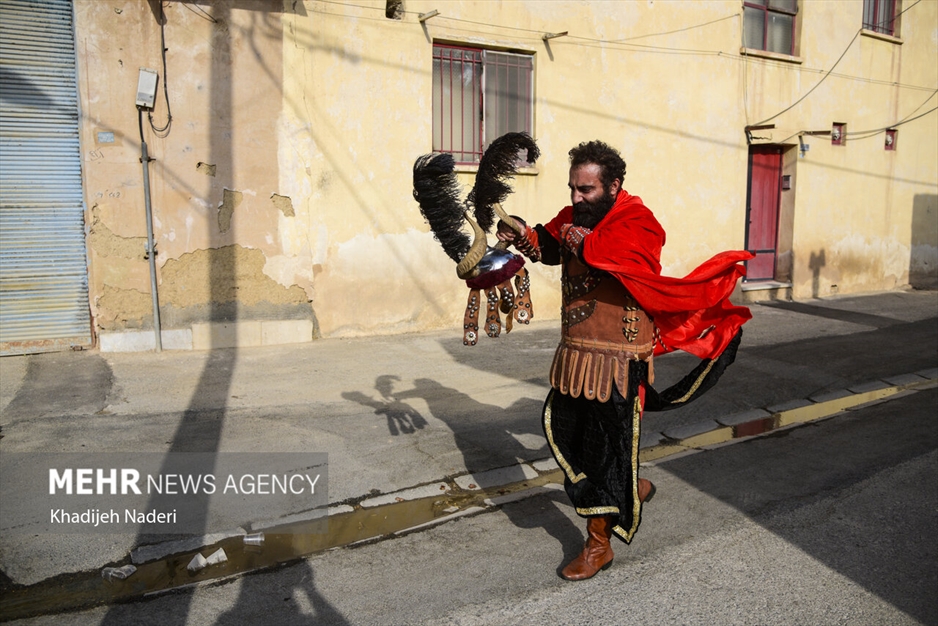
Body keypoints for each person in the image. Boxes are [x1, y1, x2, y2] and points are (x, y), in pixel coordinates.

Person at [497, 140, 752, 581]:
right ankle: (629, 487)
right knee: (563, 431)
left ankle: (598, 543)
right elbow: (550, 245)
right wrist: (521, 231)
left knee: (604, 451)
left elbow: (608, 253)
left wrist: (573, 236)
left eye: (587, 190)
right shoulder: (575, 216)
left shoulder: (639, 221)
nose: (577, 197)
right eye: (573, 188)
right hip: (576, 356)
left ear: (614, 186)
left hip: (618, 360)